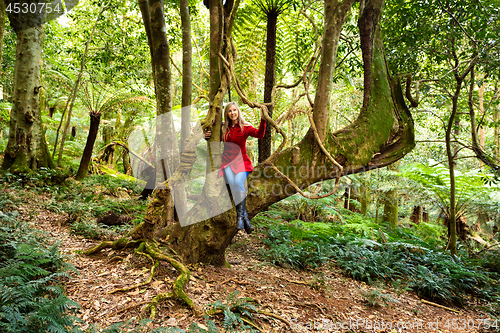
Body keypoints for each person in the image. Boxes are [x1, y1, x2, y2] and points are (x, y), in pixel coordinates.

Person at [205, 102, 267, 234]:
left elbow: (260, 134)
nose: (232, 113)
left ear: (238, 111)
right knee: (233, 184)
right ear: (226, 113)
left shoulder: (245, 127)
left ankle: (240, 218)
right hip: (227, 163)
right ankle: (245, 218)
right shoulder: (222, 128)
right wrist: (205, 136)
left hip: (242, 163)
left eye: (234, 110)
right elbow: (212, 138)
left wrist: (263, 119)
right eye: (229, 111)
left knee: (238, 183)